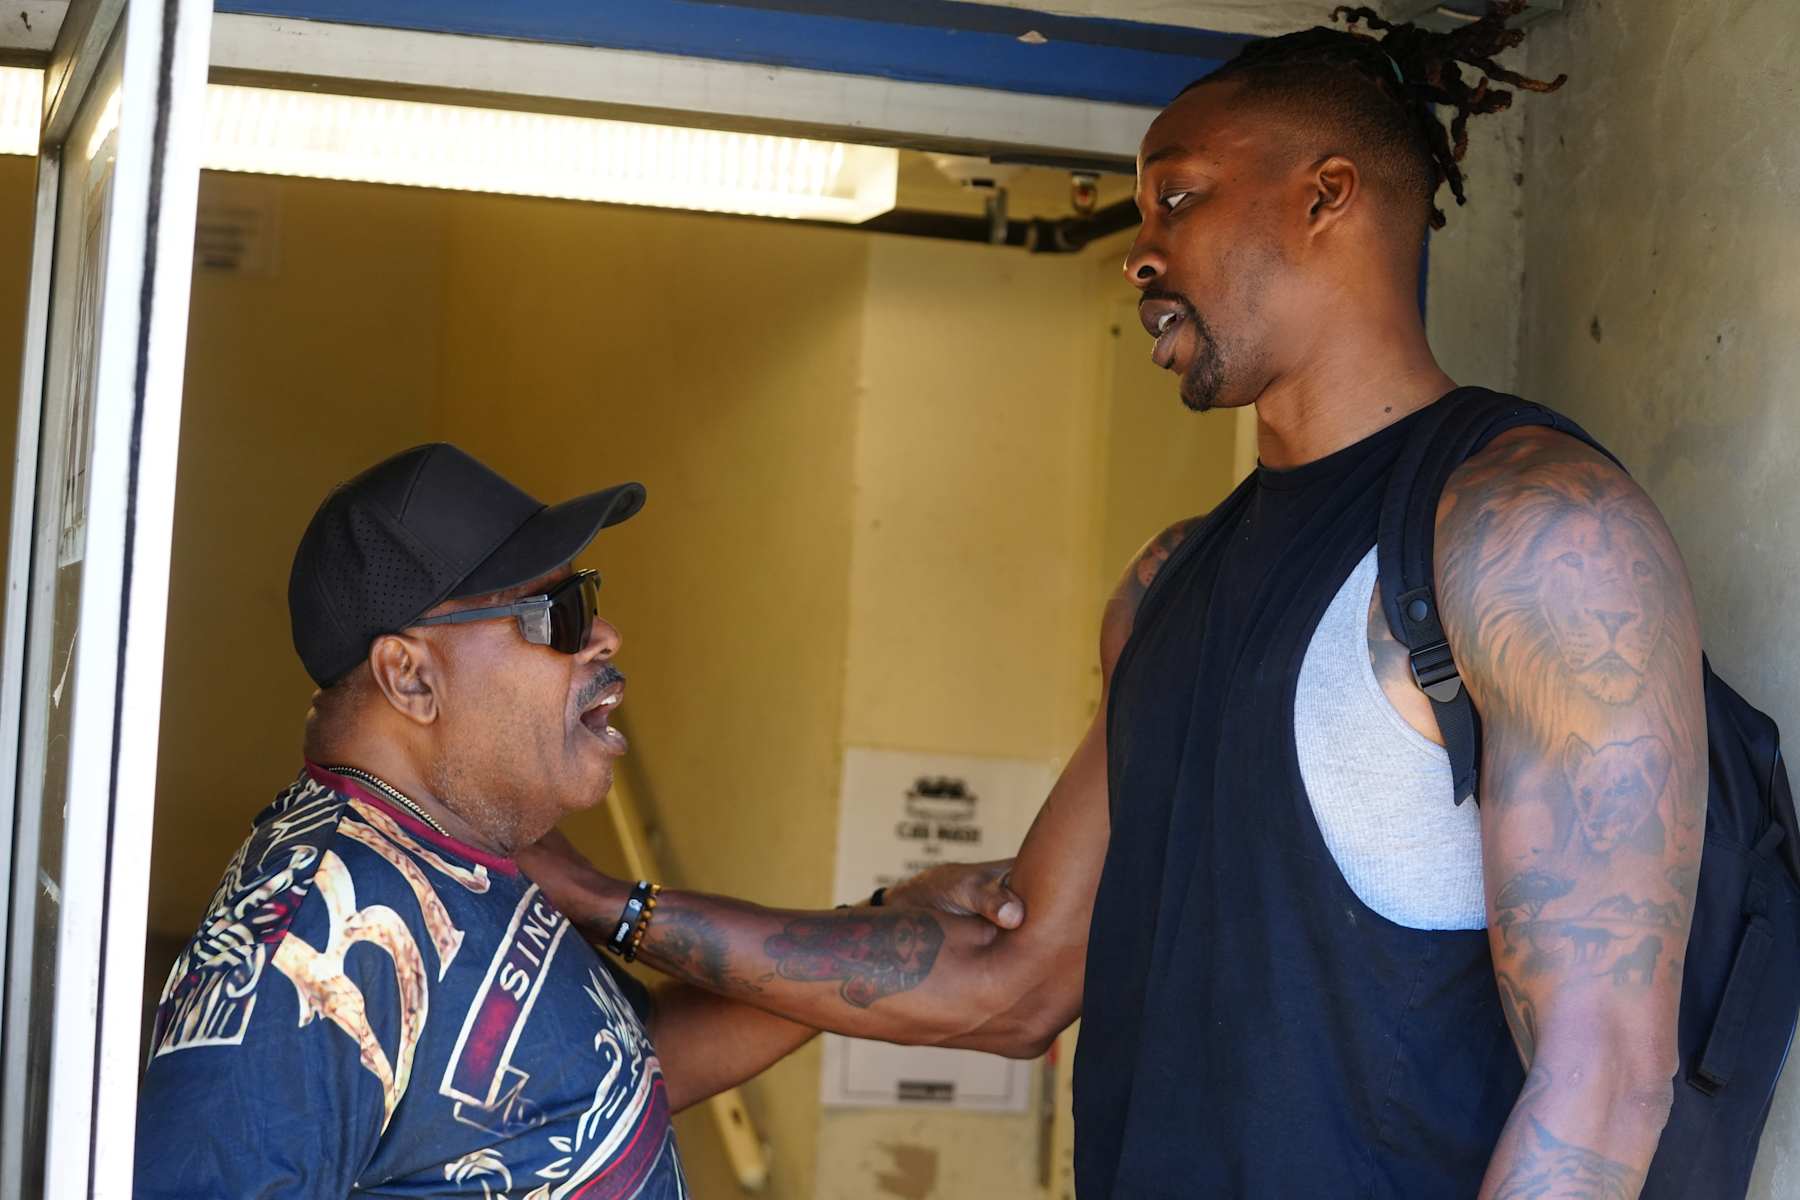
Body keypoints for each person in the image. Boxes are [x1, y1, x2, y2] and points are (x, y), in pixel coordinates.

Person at [519, 5, 1705, 1197]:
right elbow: (1012, 981)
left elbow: (1603, 1076)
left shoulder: (1531, 532)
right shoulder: (1163, 586)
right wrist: (604, 899)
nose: (1139, 254)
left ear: (1326, 196)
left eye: (1175, 198)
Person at [134, 444, 815, 1198]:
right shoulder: (308, 946)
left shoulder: (458, 848)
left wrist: (875, 954)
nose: (603, 636)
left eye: (584, 595)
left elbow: (614, 1073)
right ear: (410, 677)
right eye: (558, 614)